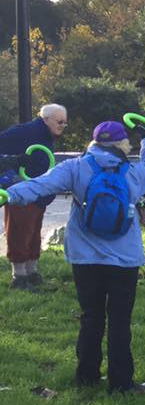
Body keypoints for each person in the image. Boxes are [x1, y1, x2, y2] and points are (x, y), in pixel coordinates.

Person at [2, 121, 145, 393]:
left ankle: (87, 377)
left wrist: (9, 194)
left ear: (94, 141)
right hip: (125, 259)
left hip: (84, 258)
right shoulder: (135, 172)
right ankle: (122, 383)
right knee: (120, 320)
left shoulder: (75, 168)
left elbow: (40, 186)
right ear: (123, 144)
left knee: (91, 316)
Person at [0, 103, 68, 289]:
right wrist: (11, 163)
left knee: (33, 232)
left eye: (65, 123)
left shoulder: (46, 135)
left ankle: (32, 272)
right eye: (59, 121)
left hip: (38, 194)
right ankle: (19, 277)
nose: (62, 125)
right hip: (21, 191)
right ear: (45, 119)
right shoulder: (24, 131)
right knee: (19, 231)